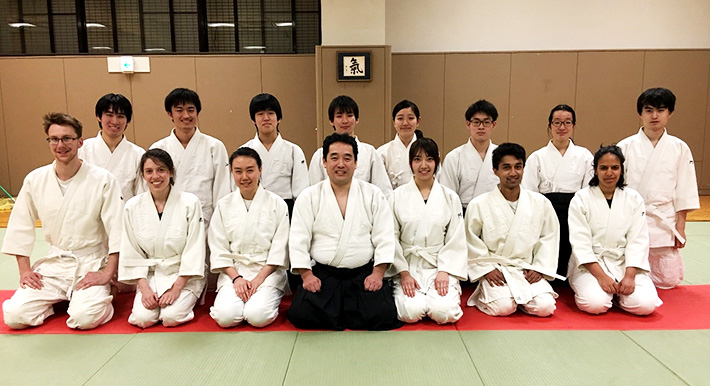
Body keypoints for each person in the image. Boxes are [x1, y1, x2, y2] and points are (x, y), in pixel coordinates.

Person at [2, 113, 122, 329]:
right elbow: (20, 226)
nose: (61, 145)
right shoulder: (35, 179)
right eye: (54, 139)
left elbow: (117, 230)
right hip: (55, 265)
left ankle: (98, 296)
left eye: (67, 138)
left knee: (84, 318)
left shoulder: (102, 179)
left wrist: (107, 274)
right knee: (14, 315)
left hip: (91, 262)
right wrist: (25, 271)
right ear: (48, 142)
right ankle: (57, 301)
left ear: (80, 142)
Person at [289, 133, 401, 330]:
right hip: (324, 275)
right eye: (334, 157)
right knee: (301, 313)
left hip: (362, 274)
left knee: (383, 314)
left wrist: (377, 273)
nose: (341, 164)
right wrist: (306, 275)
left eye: (347, 158)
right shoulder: (309, 196)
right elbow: (299, 238)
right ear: (324, 161)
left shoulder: (372, 194)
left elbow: (384, 235)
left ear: (356, 163)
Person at [465, 143, 562, 317]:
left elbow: (549, 237)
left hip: (526, 267)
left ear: (524, 169)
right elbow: (470, 239)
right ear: (495, 170)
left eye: (518, 167)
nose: (513, 173)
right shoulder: (478, 204)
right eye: (506, 167)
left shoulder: (540, 203)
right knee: (504, 308)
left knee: (545, 307)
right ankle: (485, 295)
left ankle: (519, 298)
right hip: (496, 270)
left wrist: (539, 267)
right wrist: (486, 269)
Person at [617, 88, 699, 289]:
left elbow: (685, 190)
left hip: (664, 220)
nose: (654, 116)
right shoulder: (625, 146)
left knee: (668, 281)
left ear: (669, 113)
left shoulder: (679, 147)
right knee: (629, 276)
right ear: (640, 113)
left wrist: (680, 229)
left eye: (661, 110)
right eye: (649, 110)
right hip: (633, 217)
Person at [568, 146, 662, 315]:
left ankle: (618, 296)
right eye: (603, 168)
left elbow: (638, 240)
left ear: (621, 170)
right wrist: (601, 276)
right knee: (595, 304)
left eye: (615, 168)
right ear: (595, 170)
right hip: (591, 265)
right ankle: (609, 294)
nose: (609, 173)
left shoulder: (633, 198)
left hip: (624, 262)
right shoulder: (581, 198)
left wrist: (630, 276)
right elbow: (580, 243)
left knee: (646, 305)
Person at [118, 149, 206, 328]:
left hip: (183, 274)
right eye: (149, 171)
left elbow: (194, 248)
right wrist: (144, 289)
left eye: (161, 170)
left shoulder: (190, 203)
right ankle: (153, 297)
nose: (155, 176)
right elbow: (131, 251)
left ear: (171, 172)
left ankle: (187, 297)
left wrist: (176, 288)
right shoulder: (132, 206)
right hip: (150, 275)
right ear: (143, 175)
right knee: (143, 320)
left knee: (171, 317)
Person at [209, 147, 290, 328]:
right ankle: (239, 297)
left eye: (250, 170)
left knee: (258, 316)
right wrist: (237, 279)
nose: (244, 177)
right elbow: (219, 247)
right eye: (238, 171)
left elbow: (280, 248)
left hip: (267, 271)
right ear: (232, 173)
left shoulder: (277, 203)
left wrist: (258, 280)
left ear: (260, 170)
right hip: (235, 272)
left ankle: (260, 301)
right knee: (226, 317)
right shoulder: (224, 205)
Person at [389, 138, 467, 324]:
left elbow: (455, 238)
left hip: (438, 264)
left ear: (437, 162)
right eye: (417, 159)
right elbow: (391, 237)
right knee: (410, 312)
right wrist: (404, 273)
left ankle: (435, 297)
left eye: (429, 159)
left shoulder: (450, 197)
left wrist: (445, 271)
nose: (423, 165)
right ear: (410, 164)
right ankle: (416, 296)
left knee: (444, 312)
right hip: (408, 265)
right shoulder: (396, 196)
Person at [521, 104, 594, 281]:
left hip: (574, 211)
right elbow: (528, 192)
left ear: (573, 126)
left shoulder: (585, 156)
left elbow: (588, 193)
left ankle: (572, 278)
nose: (562, 127)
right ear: (550, 125)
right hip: (545, 211)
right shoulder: (537, 157)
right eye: (557, 122)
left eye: (567, 122)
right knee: (546, 244)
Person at [150, 87, 231, 225]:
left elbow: (222, 189)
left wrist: (220, 225)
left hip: (205, 220)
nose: (186, 115)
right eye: (179, 110)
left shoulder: (214, 147)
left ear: (197, 112)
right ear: (170, 114)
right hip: (169, 219)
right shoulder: (158, 149)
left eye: (191, 110)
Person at [308, 95, 392, 196]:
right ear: (331, 121)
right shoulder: (320, 155)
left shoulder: (369, 152)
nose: (345, 121)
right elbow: (313, 192)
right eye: (339, 116)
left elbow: (384, 191)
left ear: (357, 119)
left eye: (349, 115)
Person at [241, 93, 308, 217]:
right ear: (253, 120)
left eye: (271, 113)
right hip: (253, 209)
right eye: (260, 114)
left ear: (279, 118)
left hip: (286, 210)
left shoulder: (293, 151)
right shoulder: (244, 151)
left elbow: (301, 194)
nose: (266, 118)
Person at [79, 93, 145, 202]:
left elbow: (141, 195)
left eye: (120, 116)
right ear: (99, 117)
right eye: (109, 115)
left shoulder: (138, 154)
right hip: (90, 215)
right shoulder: (82, 149)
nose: (114, 121)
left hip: (124, 215)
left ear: (128, 120)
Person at [439, 99, 500, 214]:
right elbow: (448, 198)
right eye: (476, 122)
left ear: (494, 125)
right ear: (468, 124)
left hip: (495, 215)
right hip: (463, 217)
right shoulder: (454, 158)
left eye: (486, 122)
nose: (481, 127)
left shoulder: (502, 156)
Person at [377, 100, 423, 190]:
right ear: (394, 122)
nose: (405, 123)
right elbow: (380, 186)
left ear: (418, 121)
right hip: (391, 202)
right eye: (400, 118)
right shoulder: (382, 152)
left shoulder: (428, 150)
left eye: (410, 118)